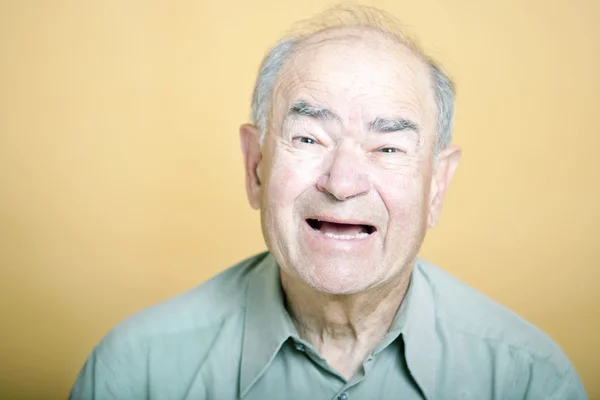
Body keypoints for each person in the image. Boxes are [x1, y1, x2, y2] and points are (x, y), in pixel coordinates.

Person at [70, 5, 586, 400]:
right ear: (255, 167)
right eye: (310, 139)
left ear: (436, 187)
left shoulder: (528, 378)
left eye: (388, 147)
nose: (342, 183)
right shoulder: (136, 371)